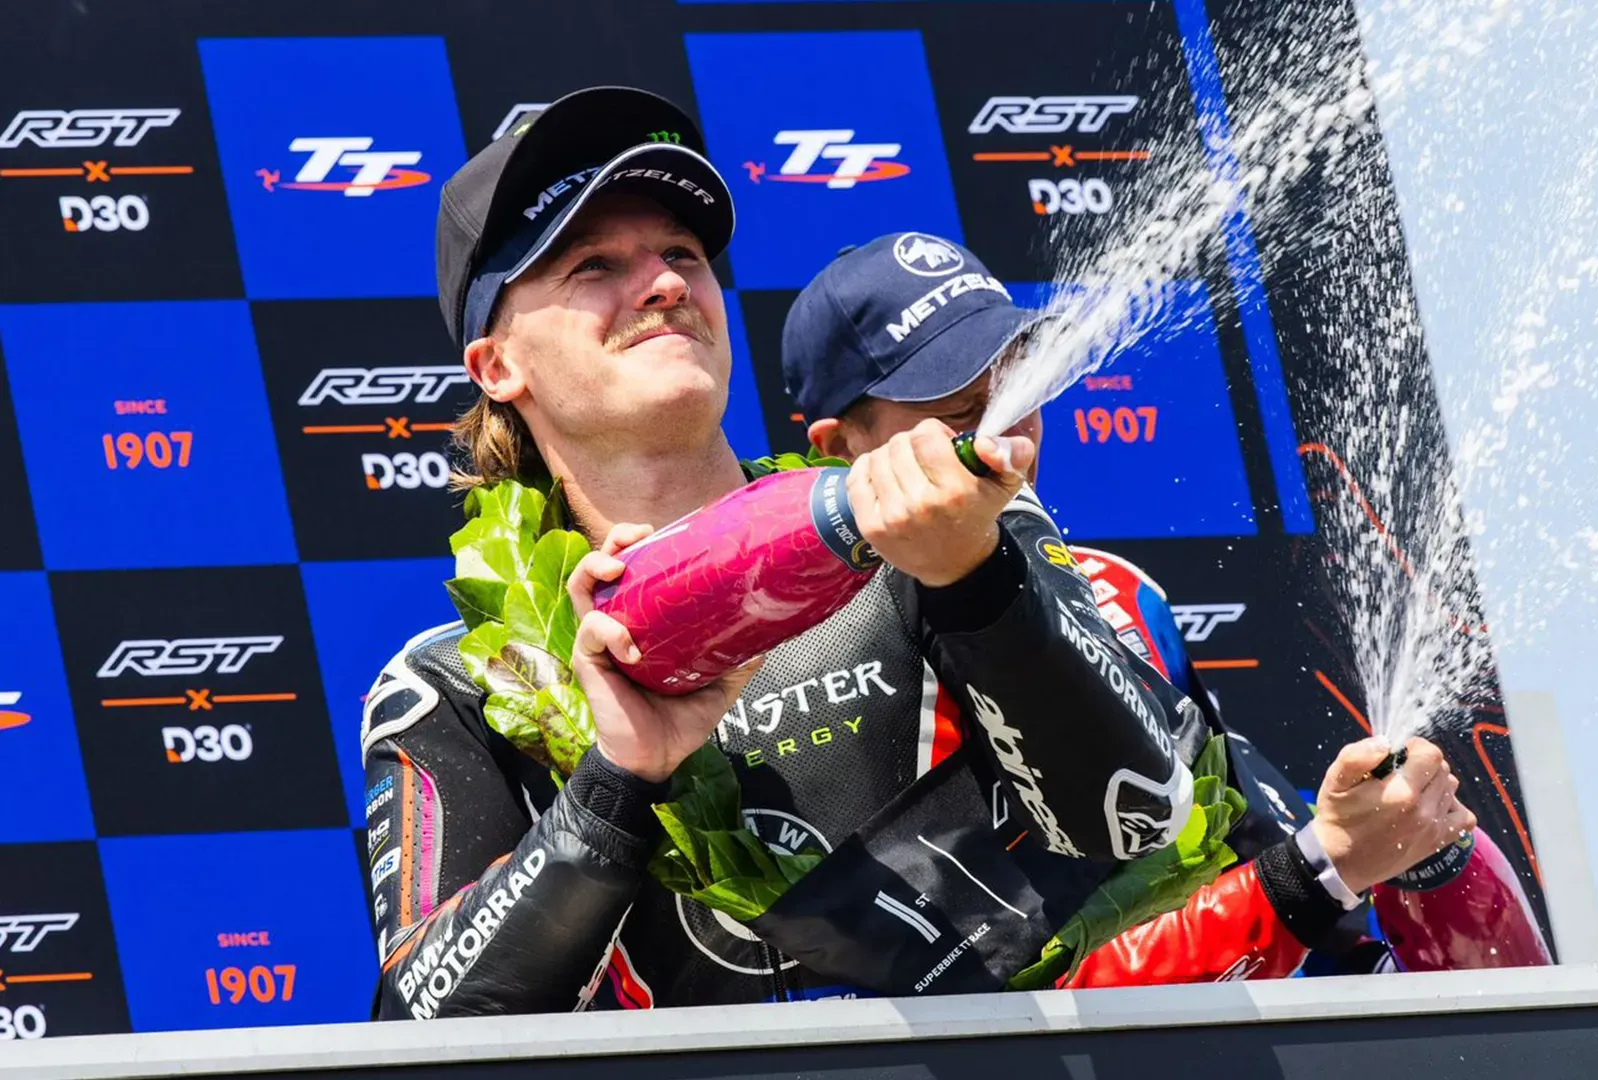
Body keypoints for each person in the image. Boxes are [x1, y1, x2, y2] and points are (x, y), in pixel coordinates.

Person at [360, 85, 1207, 1018]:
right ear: (497, 366)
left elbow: (1139, 816)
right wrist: (618, 778)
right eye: (593, 264)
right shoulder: (461, 682)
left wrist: (974, 582)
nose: (667, 284)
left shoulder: (924, 530)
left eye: (683, 254)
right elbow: (421, 1027)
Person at [782, 234, 1480, 983]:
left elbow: (1234, 853)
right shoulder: (811, 668)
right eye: (963, 411)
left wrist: (1380, 847)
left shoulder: (1118, 588)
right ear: (839, 446)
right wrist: (1322, 870)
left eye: (1019, 391)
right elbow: (995, 989)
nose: (1009, 441)